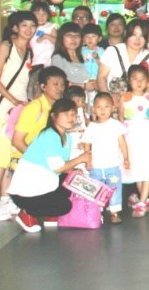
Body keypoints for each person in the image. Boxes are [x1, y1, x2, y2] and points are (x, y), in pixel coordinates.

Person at [8, 98, 92, 232]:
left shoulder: (67, 137)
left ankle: (48, 213)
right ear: (53, 116)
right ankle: (26, 213)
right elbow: (58, 168)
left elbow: (62, 165)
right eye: (66, 114)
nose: (71, 118)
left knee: (73, 180)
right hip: (25, 193)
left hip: (43, 185)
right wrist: (81, 158)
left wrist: (73, 169)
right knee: (64, 206)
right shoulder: (50, 135)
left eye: (74, 114)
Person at [79, 92, 130, 223]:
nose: (102, 110)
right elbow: (87, 145)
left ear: (113, 108)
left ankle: (114, 212)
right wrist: (88, 161)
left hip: (112, 166)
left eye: (106, 106)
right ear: (93, 109)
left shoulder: (115, 125)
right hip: (96, 167)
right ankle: (96, 212)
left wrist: (126, 158)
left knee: (115, 188)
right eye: (99, 107)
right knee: (96, 190)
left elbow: (122, 143)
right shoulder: (91, 127)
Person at [121, 64, 149, 217]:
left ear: (147, 81)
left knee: (148, 167)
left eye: (143, 79)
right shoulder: (124, 98)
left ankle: (141, 203)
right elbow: (121, 119)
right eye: (135, 78)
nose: (139, 82)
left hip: (147, 135)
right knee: (136, 168)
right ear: (129, 80)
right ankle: (145, 200)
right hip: (131, 135)